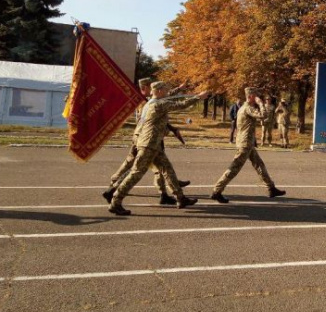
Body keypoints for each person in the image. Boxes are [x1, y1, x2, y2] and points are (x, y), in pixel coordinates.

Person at [108, 82, 208, 215]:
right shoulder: (158, 104)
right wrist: (198, 97)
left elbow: (170, 97)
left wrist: (179, 89)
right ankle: (115, 201)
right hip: (149, 144)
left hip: (152, 144)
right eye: (165, 90)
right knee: (136, 173)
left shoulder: (151, 102)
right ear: (159, 91)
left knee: (167, 169)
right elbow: (180, 105)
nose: (167, 92)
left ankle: (180, 198)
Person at [210, 87, 286, 203]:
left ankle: (271, 188)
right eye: (255, 95)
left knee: (259, 164)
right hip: (245, 144)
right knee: (234, 168)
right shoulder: (247, 108)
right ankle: (217, 191)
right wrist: (261, 104)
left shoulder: (244, 108)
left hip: (247, 143)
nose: (258, 98)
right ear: (250, 96)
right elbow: (263, 115)